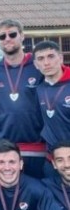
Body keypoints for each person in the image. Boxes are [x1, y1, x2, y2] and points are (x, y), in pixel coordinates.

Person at [0, 19, 45, 178]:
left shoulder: (38, 66)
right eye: (2, 36)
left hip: (38, 147)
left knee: (38, 190)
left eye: (12, 34)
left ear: (22, 36)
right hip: (6, 149)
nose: (7, 39)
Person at [33, 40, 70, 177]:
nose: (46, 63)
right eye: (41, 59)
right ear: (36, 64)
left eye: (51, 56)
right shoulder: (39, 89)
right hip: (52, 161)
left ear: (60, 58)